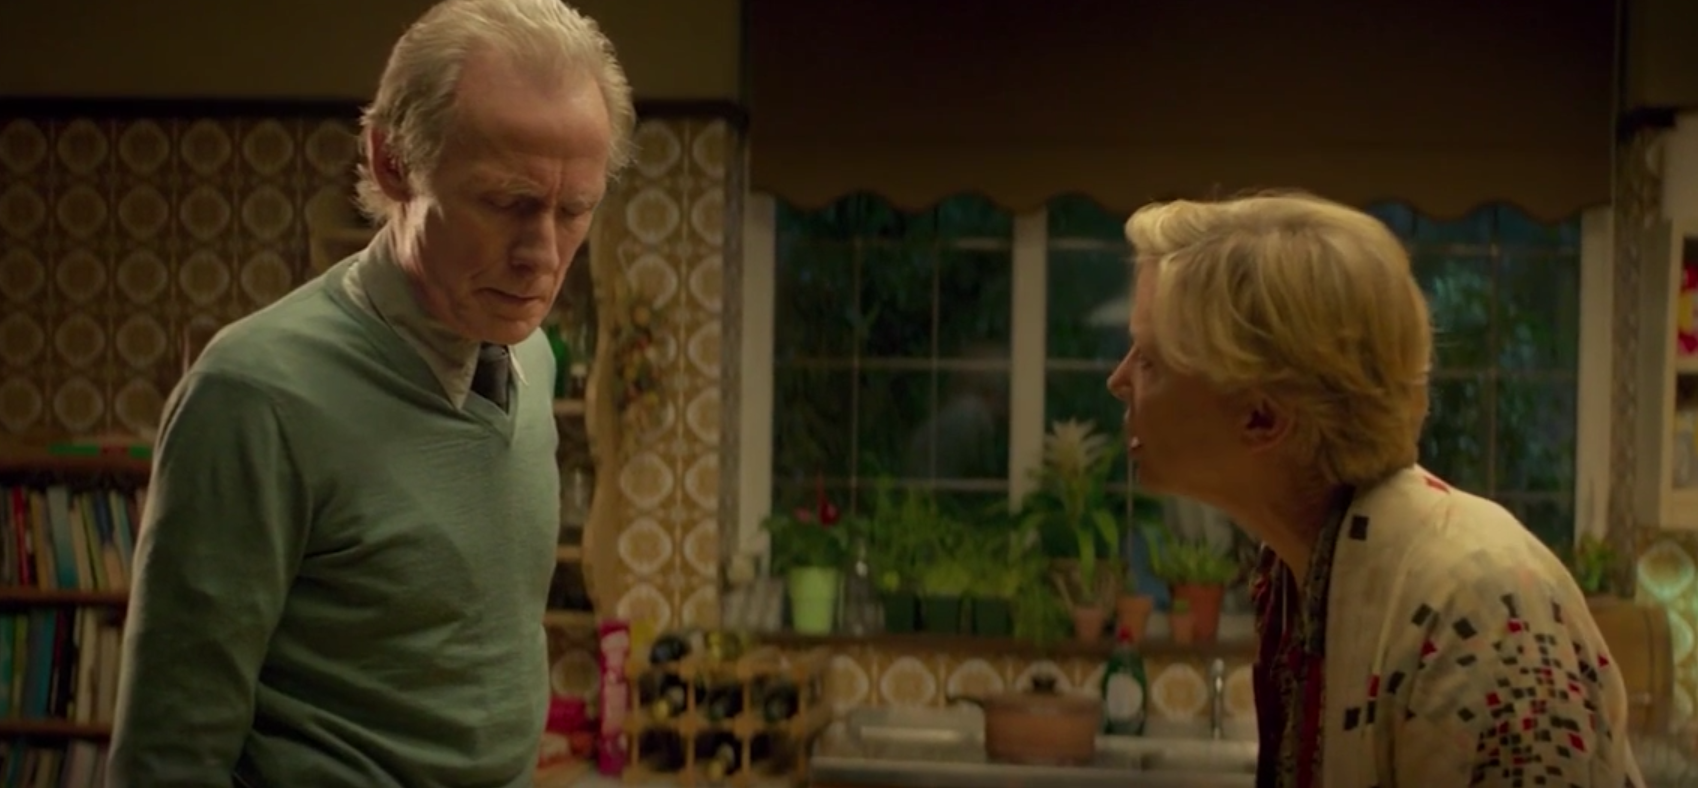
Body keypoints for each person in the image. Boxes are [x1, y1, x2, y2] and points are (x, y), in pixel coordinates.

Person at [107, 0, 634, 785]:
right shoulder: (253, 395)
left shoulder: (530, 358)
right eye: (506, 202)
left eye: (573, 210)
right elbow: (168, 758)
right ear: (391, 161)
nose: (543, 255)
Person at [1107, 192, 1644, 787]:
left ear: (1262, 418)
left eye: (1149, 360)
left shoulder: (1479, 603)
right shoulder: (1299, 578)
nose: (1117, 380)